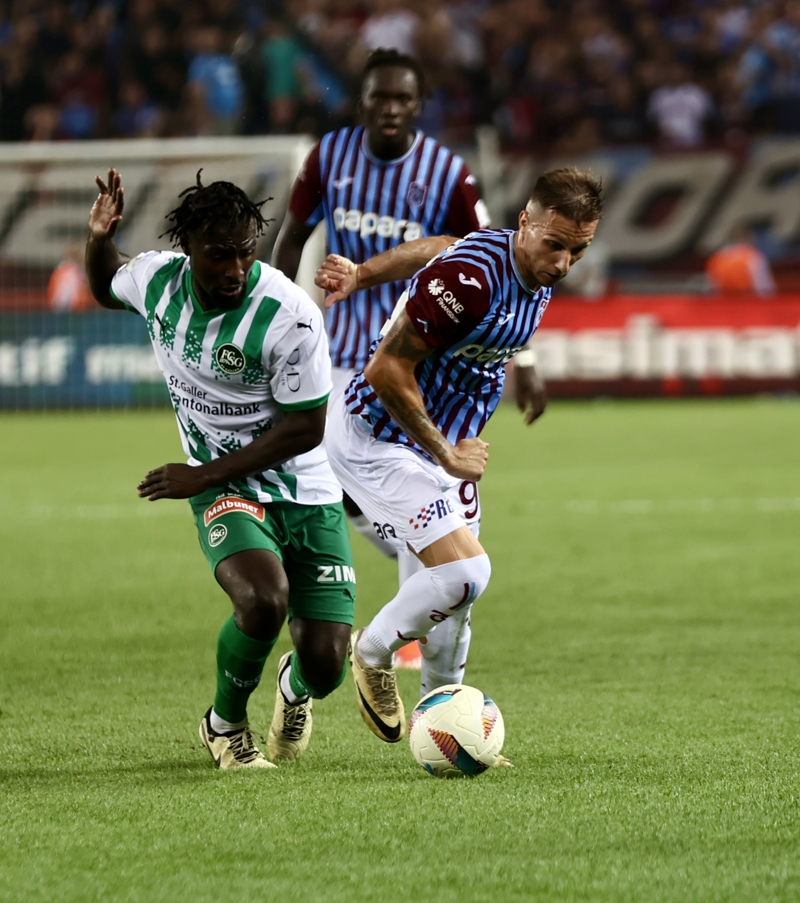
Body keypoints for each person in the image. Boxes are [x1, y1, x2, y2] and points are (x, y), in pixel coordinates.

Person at [272, 47, 546, 665]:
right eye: (380, 97)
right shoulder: (328, 157)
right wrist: (276, 326)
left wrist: (523, 361)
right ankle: (390, 612)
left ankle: (409, 631)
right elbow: (290, 241)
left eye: (402, 98)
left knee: (409, 495)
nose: (391, 108)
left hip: (423, 360)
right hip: (341, 352)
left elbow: (491, 257)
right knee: (336, 490)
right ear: (362, 102)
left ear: (419, 105)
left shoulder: (447, 173)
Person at [316, 167, 603, 743]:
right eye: (554, 245)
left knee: (453, 610)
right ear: (525, 222)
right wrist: (447, 454)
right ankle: (370, 651)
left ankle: (444, 731)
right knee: (466, 574)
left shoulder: (522, 262)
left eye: (578, 250)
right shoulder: (471, 283)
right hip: (381, 438)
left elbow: (441, 246)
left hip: (440, 447)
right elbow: (384, 369)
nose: (563, 264)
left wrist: (364, 273)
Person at [85, 168, 355, 769]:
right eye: (219, 255)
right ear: (188, 248)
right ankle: (225, 726)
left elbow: (305, 428)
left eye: (245, 253)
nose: (235, 269)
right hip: (226, 486)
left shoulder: (289, 313)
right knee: (263, 599)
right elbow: (106, 284)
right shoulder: (157, 280)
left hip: (305, 488)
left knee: (326, 665)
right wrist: (99, 238)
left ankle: (293, 689)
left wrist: (199, 475)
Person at [705, 225, 776, 296]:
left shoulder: (717, 258)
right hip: (749, 300)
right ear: (749, 237)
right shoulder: (753, 256)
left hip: (726, 300)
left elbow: (714, 287)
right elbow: (763, 287)